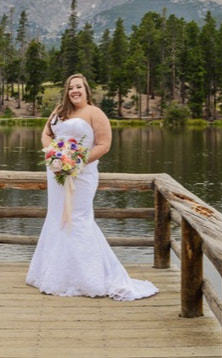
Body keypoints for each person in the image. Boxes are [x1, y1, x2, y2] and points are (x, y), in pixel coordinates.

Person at [26, 73, 158, 300]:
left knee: (77, 219)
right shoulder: (59, 111)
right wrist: (55, 156)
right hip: (56, 171)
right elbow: (46, 135)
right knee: (57, 217)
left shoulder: (95, 113)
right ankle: (57, 275)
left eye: (78, 87)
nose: (74, 91)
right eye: (70, 87)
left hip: (83, 174)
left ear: (86, 90)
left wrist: (75, 161)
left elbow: (104, 145)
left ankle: (88, 277)